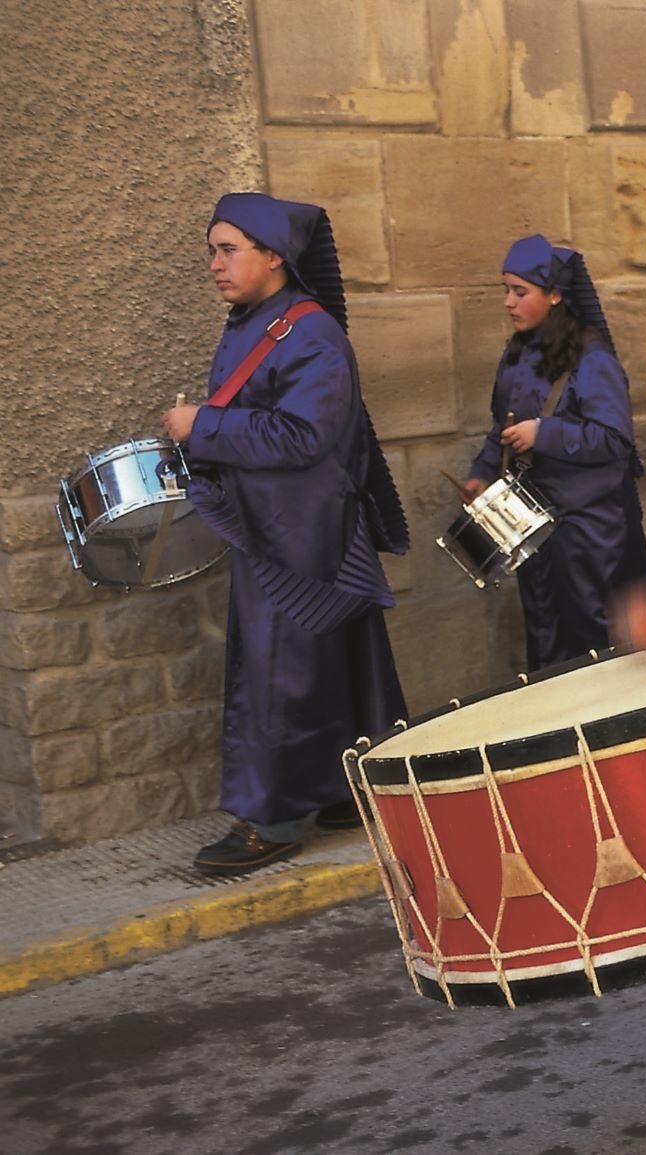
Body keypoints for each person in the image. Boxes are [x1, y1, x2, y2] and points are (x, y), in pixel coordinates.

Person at [161, 193, 409, 876]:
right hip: (277, 525)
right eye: (212, 250)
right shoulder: (254, 323)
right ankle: (343, 788)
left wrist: (202, 426)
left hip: (302, 534)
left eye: (228, 249)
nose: (215, 264)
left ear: (274, 256)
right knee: (322, 664)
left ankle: (271, 820)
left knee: (281, 673)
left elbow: (303, 435)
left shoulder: (311, 333)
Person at [463, 235, 646, 670]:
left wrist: (544, 433)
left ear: (554, 295)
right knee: (546, 643)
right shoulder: (516, 355)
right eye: (506, 291)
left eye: (520, 292)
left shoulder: (594, 360)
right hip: (537, 531)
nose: (509, 303)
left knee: (596, 645)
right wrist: (482, 472)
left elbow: (614, 439)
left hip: (591, 535)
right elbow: (502, 426)